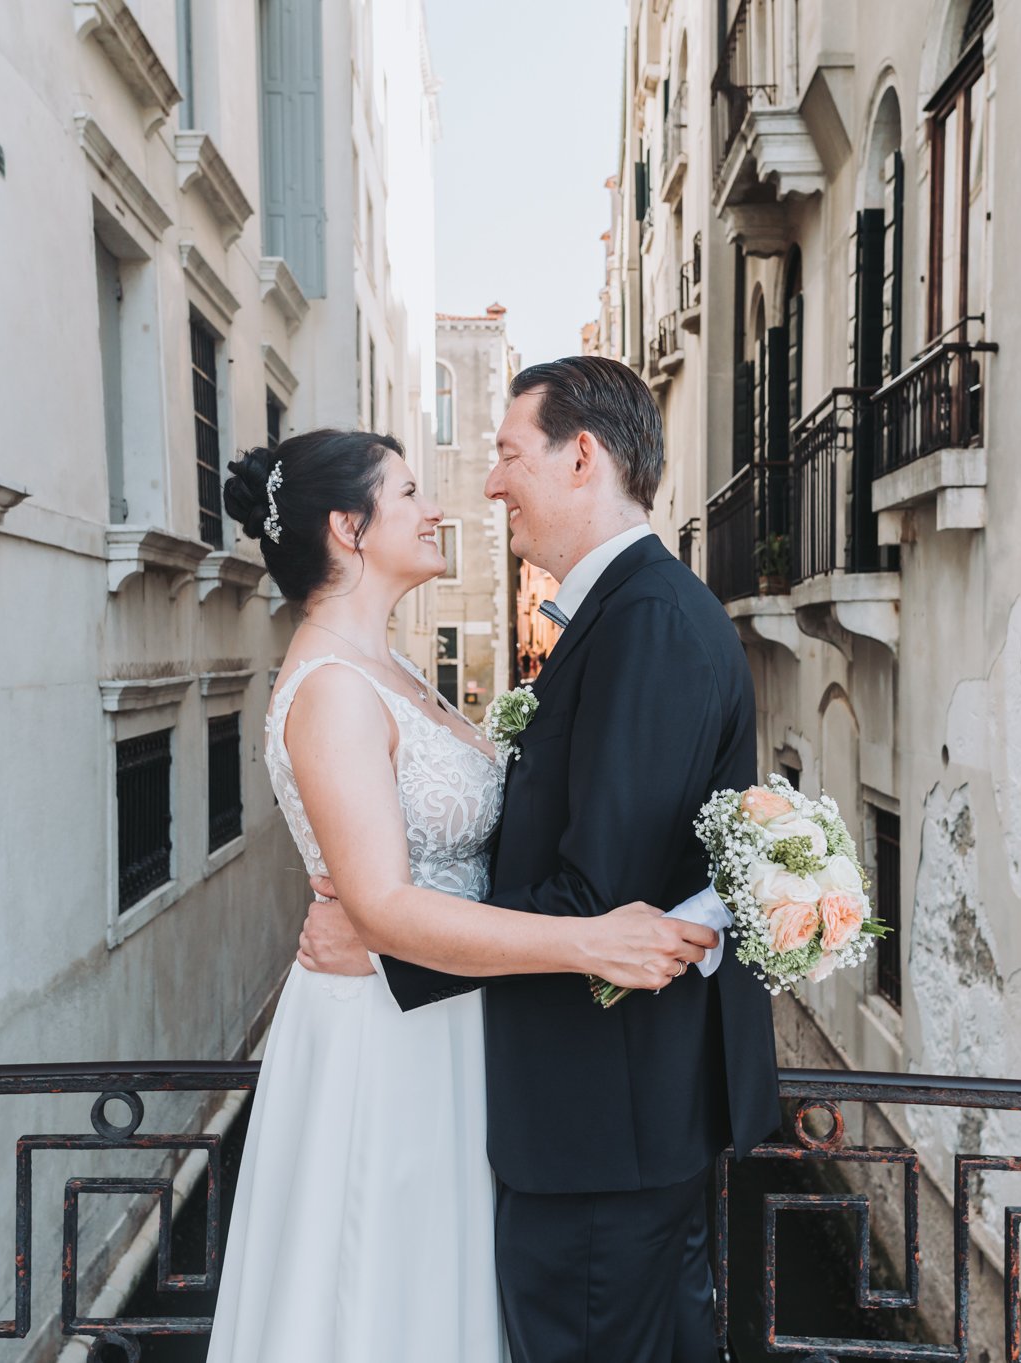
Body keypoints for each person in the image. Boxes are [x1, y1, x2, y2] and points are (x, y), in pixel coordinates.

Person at [299, 356, 781, 1363]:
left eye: (505, 454)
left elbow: (596, 899)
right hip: (602, 1120)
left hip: (600, 1131)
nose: (484, 485)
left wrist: (389, 938)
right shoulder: (630, 613)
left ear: (581, 458)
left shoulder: (644, 622)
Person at [204, 425, 718, 1363]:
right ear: (347, 528)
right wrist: (590, 941)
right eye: (408, 493)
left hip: (447, 1015)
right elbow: (387, 906)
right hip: (382, 1037)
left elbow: (415, 893)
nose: (439, 505)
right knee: (380, 1291)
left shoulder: (394, 670)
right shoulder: (329, 689)